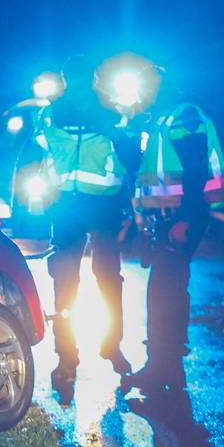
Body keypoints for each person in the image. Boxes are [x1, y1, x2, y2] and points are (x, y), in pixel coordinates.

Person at [122, 96, 224, 399]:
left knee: (166, 292)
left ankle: (163, 369)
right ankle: (164, 367)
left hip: (180, 218)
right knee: (164, 291)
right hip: (169, 218)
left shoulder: (183, 117)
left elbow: (195, 172)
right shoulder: (160, 120)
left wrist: (185, 219)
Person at [38, 57, 136, 385]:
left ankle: (102, 349)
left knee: (97, 280)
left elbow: (131, 155)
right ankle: (71, 355)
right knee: (74, 280)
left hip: (94, 204)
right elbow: (42, 147)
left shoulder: (108, 111)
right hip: (75, 205)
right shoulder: (54, 112)